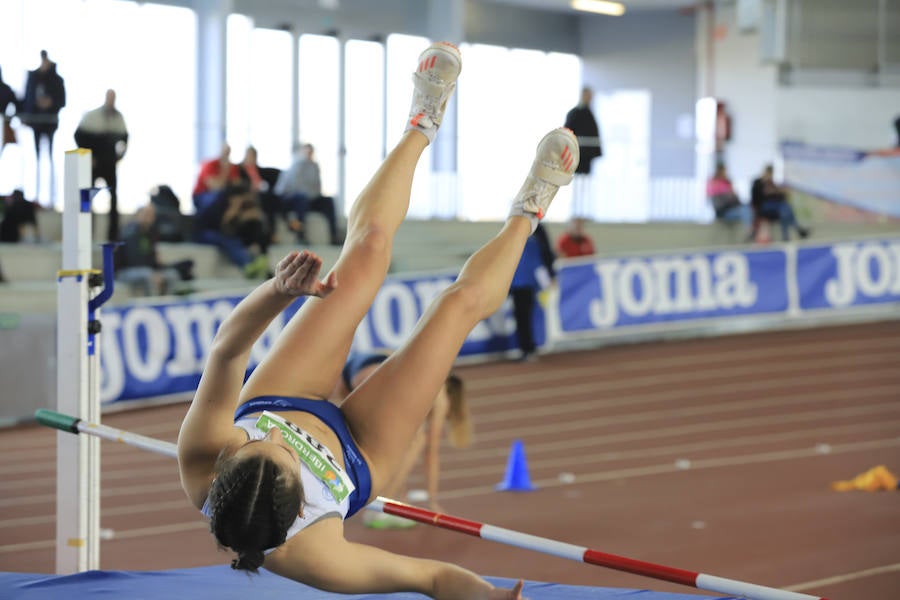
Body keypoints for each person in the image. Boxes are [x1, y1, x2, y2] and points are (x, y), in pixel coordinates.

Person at [176, 42, 578, 598]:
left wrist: (278, 291)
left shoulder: (202, 453)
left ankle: (422, 118)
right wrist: (487, 597)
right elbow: (433, 577)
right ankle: (530, 210)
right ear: (299, 509)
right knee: (453, 309)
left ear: (230, 459)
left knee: (363, 254)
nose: (293, 443)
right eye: (292, 458)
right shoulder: (319, 557)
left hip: (278, 394)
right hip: (361, 455)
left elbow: (227, 352)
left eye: (264, 444)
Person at [331, 351, 472, 528]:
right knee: (416, 441)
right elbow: (431, 452)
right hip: (376, 375)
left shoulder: (419, 378)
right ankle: (378, 506)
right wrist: (432, 501)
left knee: (372, 441)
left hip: (352, 371)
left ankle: (384, 497)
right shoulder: (439, 395)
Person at [74, 89, 129, 241]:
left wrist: (119, 157)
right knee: (87, 199)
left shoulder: (118, 118)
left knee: (113, 199)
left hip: (109, 163)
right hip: (93, 163)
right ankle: (86, 235)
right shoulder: (92, 117)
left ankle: (113, 236)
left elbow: (125, 139)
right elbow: (78, 136)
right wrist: (87, 156)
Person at [116, 203, 192, 296]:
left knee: (172, 274)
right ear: (138, 215)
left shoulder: (151, 233)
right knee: (148, 275)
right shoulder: (129, 233)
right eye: (146, 214)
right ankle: (152, 305)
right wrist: (154, 274)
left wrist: (159, 270)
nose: (149, 217)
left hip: (147, 270)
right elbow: (133, 260)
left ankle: (165, 304)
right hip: (125, 271)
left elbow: (153, 259)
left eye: (151, 214)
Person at [21, 50, 66, 205]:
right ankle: (36, 197)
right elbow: (27, 97)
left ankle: (52, 198)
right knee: (37, 158)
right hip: (36, 123)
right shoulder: (33, 77)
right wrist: (29, 112)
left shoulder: (56, 79)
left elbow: (62, 100)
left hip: (50, 123)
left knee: (51, 158)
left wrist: (51, 102)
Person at [274, 142, 341, 245]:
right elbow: (293, 188)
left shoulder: (315, 167)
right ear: (301, 152)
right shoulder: (295, 166)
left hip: (311, 198)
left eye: (311, 152)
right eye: (307, 152)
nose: (309, 154)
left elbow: (317, 188)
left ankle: (334, 235)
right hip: (294, 199)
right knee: (302, 198)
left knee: (328, 200)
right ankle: (301, 235)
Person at [509, 222, 556, 361]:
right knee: (522, 316)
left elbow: (546, 254)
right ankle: (527, 348)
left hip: (526, 281)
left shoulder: (536, 232)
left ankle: (528, 348)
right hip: (519, 282)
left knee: (524, 316)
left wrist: (551, 276)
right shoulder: (514, 229)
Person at [564, 86, 601, 218]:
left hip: (587, 157)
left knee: (586, 183)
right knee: (578, 183)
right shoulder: (574, 113)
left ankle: (584, 211)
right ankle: (576, 211)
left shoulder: (589, 113)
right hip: (577, 155)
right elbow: (567, 132)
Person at [750, 164, 810, 242]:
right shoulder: (757, 182)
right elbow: (756, 198)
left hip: (776, 208)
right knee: (785, 208)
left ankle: (787, 236)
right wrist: (768, 190)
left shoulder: (772, 183)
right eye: (768, 173)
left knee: (785, 210)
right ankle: (796, 230)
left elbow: (780, 196)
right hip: (764, 207)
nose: (769, 175)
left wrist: (777, 191)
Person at [706, 162, 751, 237]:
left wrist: (732, 195)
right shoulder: (714, 183)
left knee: (746, 208)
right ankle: (749, 230)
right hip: (723, 212)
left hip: (732, 208)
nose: (725, 173)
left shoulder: (727, 182)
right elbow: (717, 201)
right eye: (724, 171)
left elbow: (735, 198)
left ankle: (749, 229)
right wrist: (728, 195)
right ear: (719, 171)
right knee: (744, 210)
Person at [0, 66, 20, 158]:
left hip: (3, 124)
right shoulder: (6, 89)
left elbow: (17, 106)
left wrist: (9, 119)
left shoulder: (6, 89)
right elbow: (17, 105)